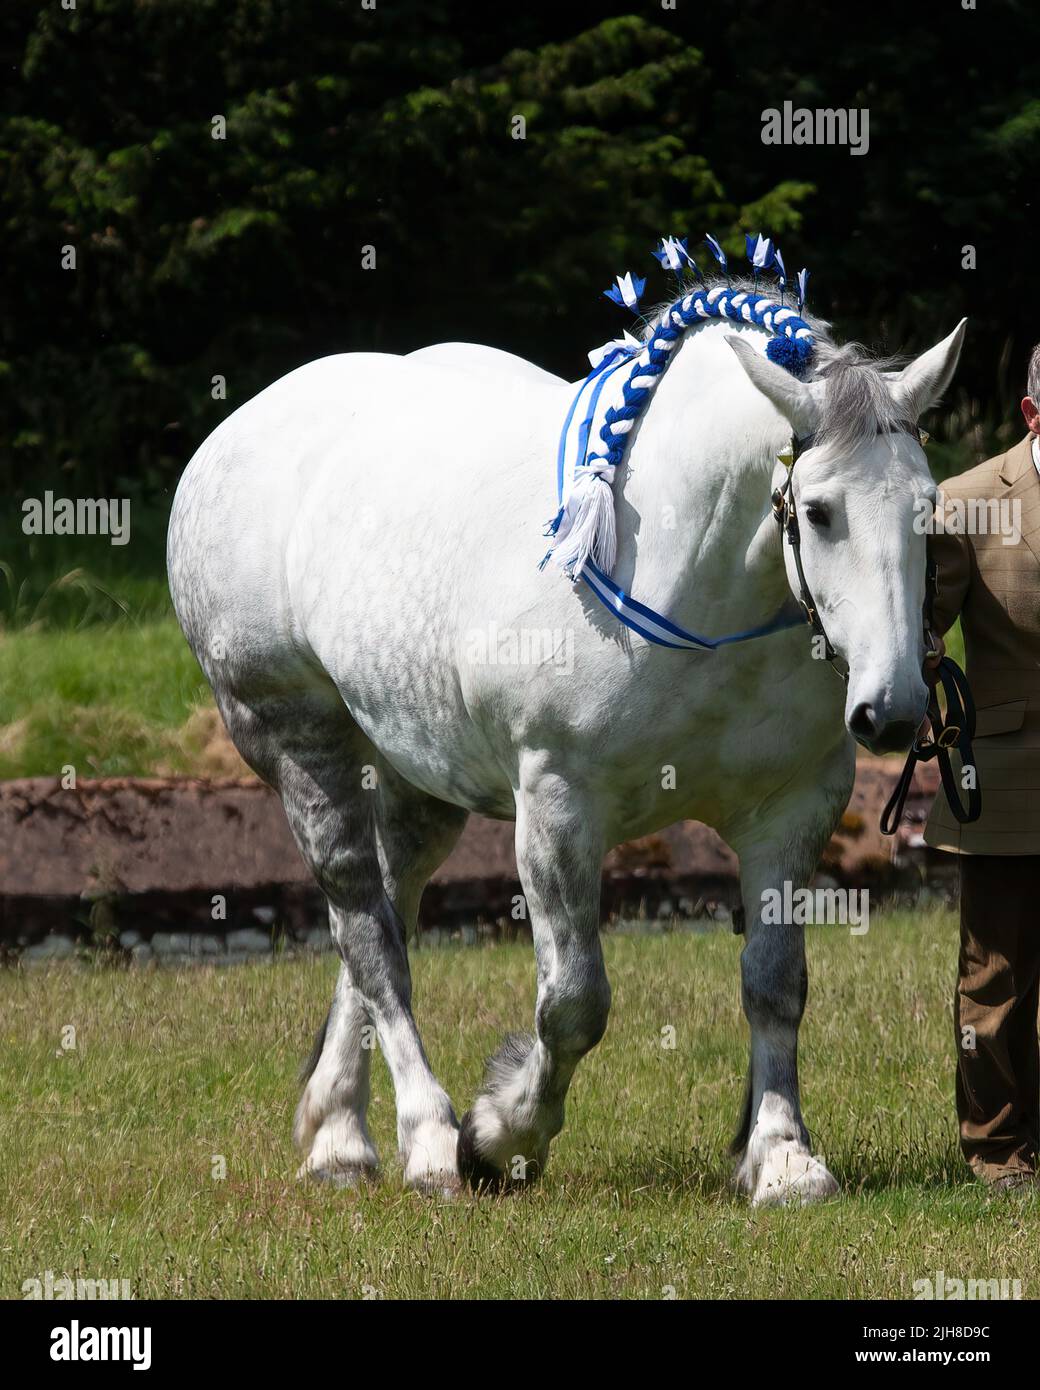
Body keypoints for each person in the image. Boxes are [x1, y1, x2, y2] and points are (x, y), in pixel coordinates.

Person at [923, 345, 1040, 1192]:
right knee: (996, 978)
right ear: (1033, 415)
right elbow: (915, 631)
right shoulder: (964, 504)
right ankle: (999, 1155)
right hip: (1007, 774)